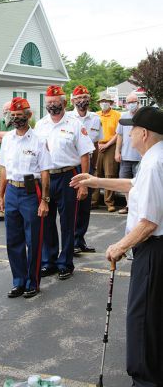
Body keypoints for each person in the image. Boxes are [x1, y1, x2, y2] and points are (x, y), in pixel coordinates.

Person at [70, 106, 163, 387]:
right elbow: (133, 185)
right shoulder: (155, 158)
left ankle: (145, 381)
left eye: (132, 128)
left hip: (153, 251)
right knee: (153, 318)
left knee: (142, 319)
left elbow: (149, 222)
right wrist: (96, 180)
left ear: (144, 133)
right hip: (155, 250)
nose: (128, 132)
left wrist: (119, 246)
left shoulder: (153, 164)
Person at [35, 85, 94, 280]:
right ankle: (49, 261)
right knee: (47, 221)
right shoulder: (41, 125)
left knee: (68, 221)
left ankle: (65, 262)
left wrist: (84, 183)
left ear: (64, 103)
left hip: (69, 176)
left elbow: (85, 155)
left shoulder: (75, 124)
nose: (52, 105)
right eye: (49, 102)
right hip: (46, 177)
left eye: (56, 102)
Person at [0, 97, 51, 298]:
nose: (16, 118)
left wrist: (45, 200)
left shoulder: (39, 140)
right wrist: (0, 196)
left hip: (31, 193)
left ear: (28, 116)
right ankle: (18, 281)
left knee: (33, 239)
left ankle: (32, 282)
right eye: (14, 115)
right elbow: (4, 169)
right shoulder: (8, 139)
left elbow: (45, 172)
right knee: (13, 240)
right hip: (11, 190)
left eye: (20, 115)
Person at [71, 85, 103, 254]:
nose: (82, 100)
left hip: (88, 164)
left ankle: (80, 239)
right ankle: (71, 242)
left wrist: (95, 166)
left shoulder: (95, 118)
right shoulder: (68, 117)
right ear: (73, 101)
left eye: (85, 97)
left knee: (85, 206)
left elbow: (96, 144)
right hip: (72, 165)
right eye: (79, 98)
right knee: (73, 205)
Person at [91, 93, 121, 212]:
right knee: (96, 173)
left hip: (111, 145)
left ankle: (109, 202)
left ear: (111, 103)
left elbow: (118, 133)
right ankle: (93, 201)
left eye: (106, 101)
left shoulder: (117, 115)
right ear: (99, 103)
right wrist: (97, 144)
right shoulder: (95, 115)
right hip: (97, 145)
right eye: (102, 101)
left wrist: (107, 144)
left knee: (110, 174)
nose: (104, 103)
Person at [115, 93, 141, 214]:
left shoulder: (143, 116)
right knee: (125, 182)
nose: (131, 104)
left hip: (140, 157)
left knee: (139, 184)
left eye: (133, 102)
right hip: (125, 156)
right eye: (129, 102)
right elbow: (119, 136)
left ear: (138, 102)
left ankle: (139, 207)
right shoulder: (123, 117)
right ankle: (129, 205)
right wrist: (117, 151)